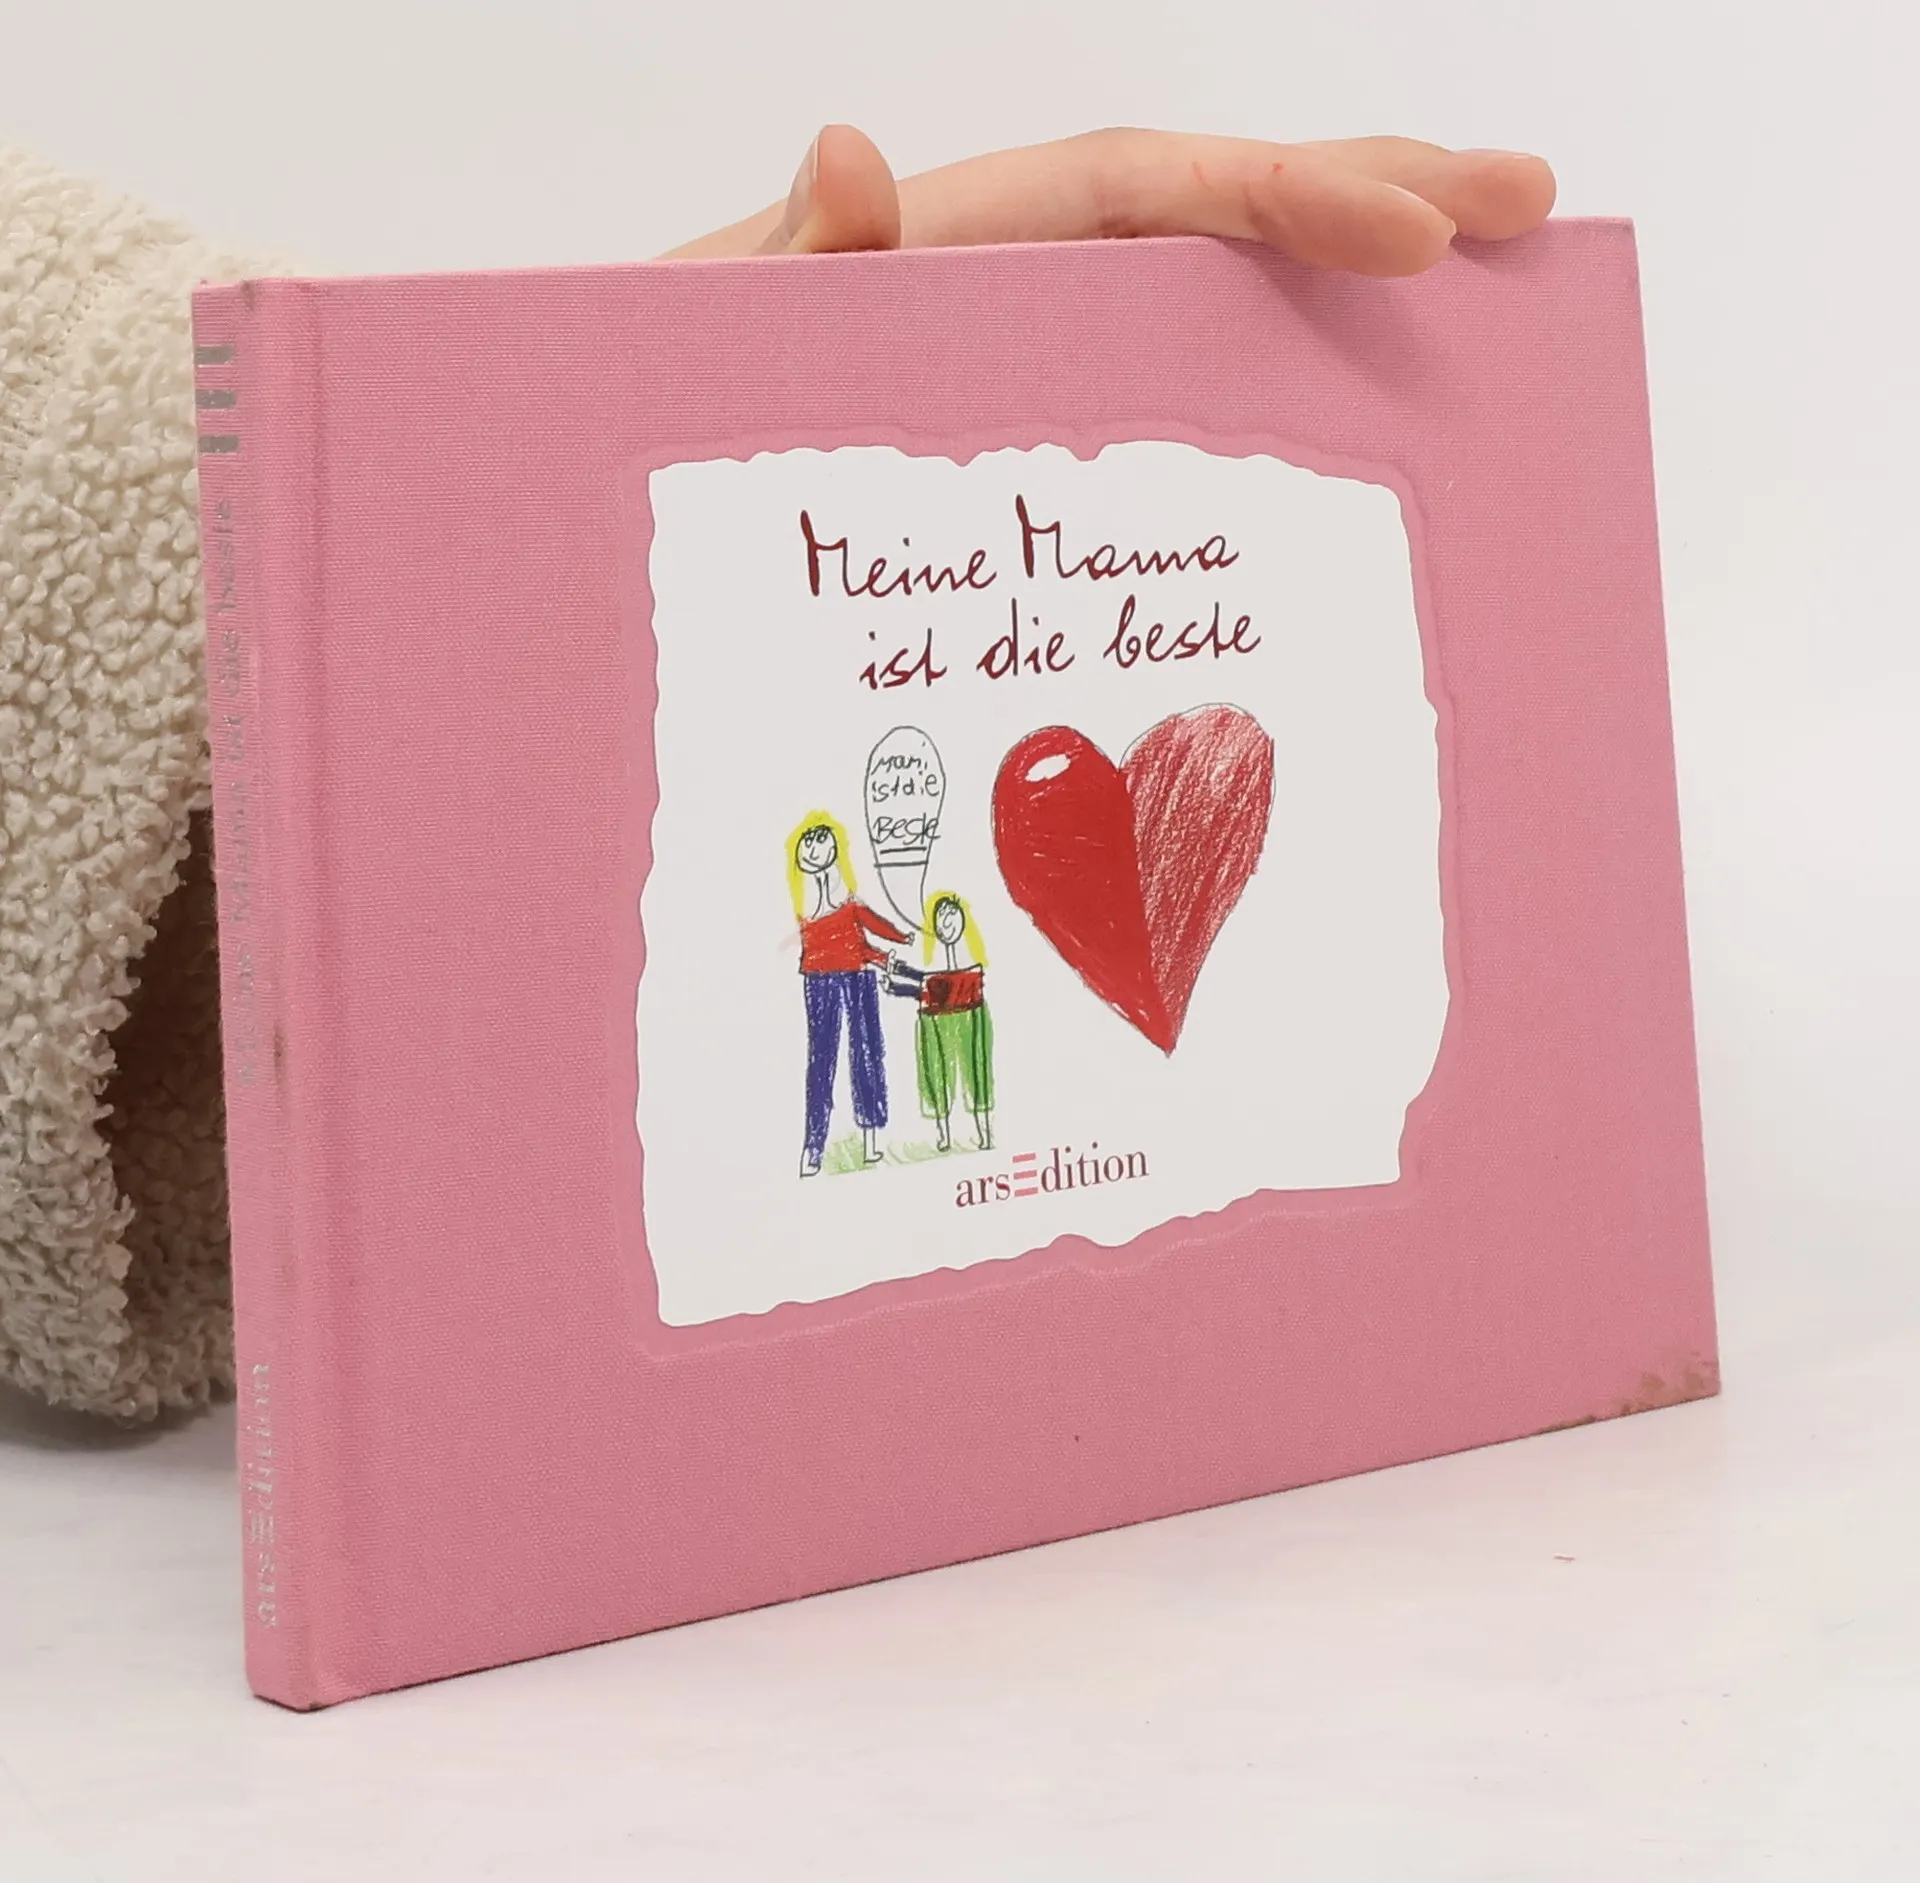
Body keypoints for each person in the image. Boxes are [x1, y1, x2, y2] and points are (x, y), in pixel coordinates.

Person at [0, 125, 1555, 1417]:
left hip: (917, 1004)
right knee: (853, 1091)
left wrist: (389, 554)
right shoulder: (850, 908)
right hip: (851, 1010)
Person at [791, 814, 913, 1176]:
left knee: (866, 1053)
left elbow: (865, 936)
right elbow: (849, 943)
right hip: (819, 981)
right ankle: (814, 1146)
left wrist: (895, 945)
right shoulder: (806, 906)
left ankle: (870, 1138)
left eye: (821, 843)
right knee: (822, 1059)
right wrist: (885, 953)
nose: (815, 849)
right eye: (810, 845)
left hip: (856, 977)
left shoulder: (847, 901)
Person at [909, 894, 995, 1155]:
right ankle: (945, 1135)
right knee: (939, 1076)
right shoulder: (933, 971)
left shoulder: (972, 969)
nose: (948, 921)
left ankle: (984, 1134)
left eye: (952, 915)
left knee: (976, 1074)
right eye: (942, 917)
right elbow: (924, 990)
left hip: (969, 1015)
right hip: (937, 1019)